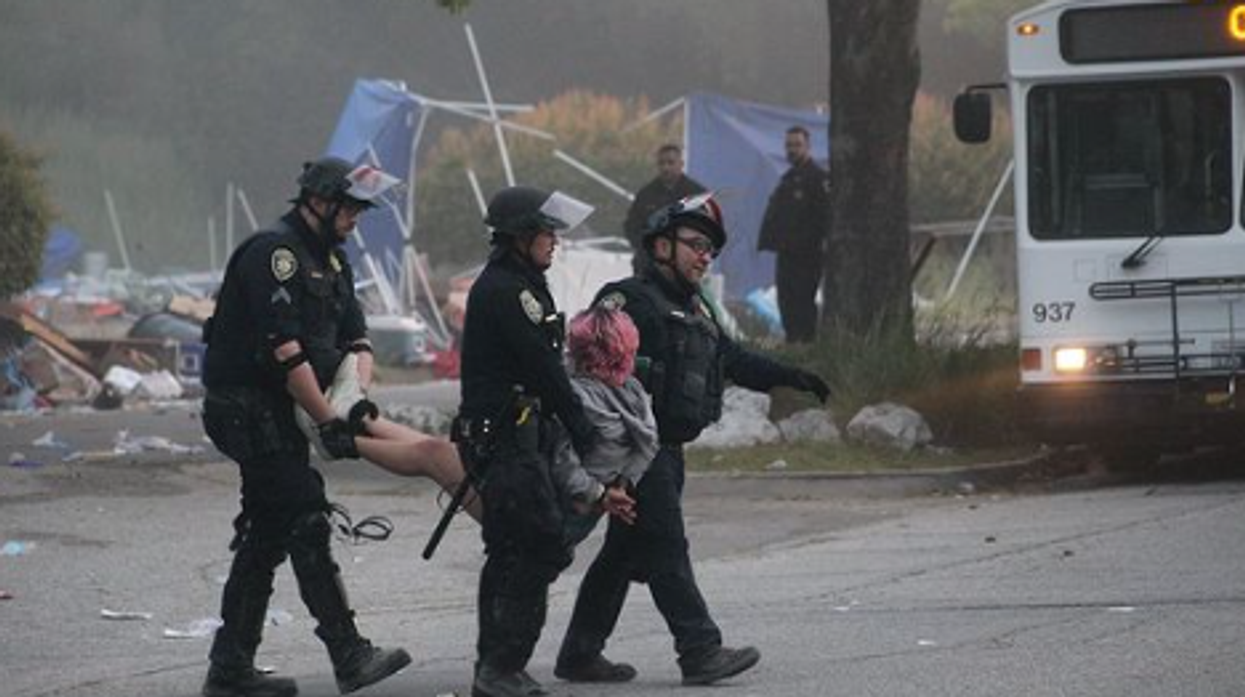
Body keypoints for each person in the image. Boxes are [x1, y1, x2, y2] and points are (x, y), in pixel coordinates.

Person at [554, 193, 830, 687]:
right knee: (665, 546)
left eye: (711, 250)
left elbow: (735, 360)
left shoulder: (696, 308)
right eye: (696, 244)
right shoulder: (628, 299)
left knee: (622, 555)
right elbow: (587, 369)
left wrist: (793, 375)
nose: (705, 256)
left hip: (668, 450)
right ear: (662, 246)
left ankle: (579, 653)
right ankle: (699, 649)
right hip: (638, 451)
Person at [200, 157, 411, 697]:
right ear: (319, 201)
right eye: (350, 208)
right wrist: (326, 420)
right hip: (246, 406)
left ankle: (229, 668)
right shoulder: (275, 255)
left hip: (282, 409)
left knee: (267, 533)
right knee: (306, 515)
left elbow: (358, 343)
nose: (356, 219)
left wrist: (350, 399)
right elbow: (285, 352)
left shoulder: (333, 262)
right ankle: (349, 655)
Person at [458, 186, 632, 697]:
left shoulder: (520, 284)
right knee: (541, 545)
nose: (555, 242)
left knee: (509, 551)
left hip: (516, 435)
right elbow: (543, 368)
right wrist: (582, 426)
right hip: (505, 440)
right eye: (546, 232)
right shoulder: (510, 291)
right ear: (520, 237)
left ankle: (493, 667)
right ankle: (500, 667)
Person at [549, 306, 656, 548]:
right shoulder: (632, 392)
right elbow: (648, 442)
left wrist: (605, 491)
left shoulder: (574, 393)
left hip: (577, 498)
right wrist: (620, 485)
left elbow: (561, 458)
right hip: (594, 496)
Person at [757, 125, 831, 343]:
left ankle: (805, 345)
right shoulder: (788, 179)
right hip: (786, 253)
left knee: (802, 302)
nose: (792, 150)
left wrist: (821, 245)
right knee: (786, 302)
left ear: (808, 147)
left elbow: (826, 216)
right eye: (789, 145)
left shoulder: (818, 179)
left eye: (797, 145)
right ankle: (793, 344)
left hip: (808, 254)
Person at [624, 144, 706, 273]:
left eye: (670, 162)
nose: (665, 167)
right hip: (648, 265)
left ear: (681, 164)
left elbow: (706, 228)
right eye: (661, 163)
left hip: (684, 266)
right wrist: (644, 247)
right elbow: (631, 226)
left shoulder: (696, 194)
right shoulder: (646, 194)